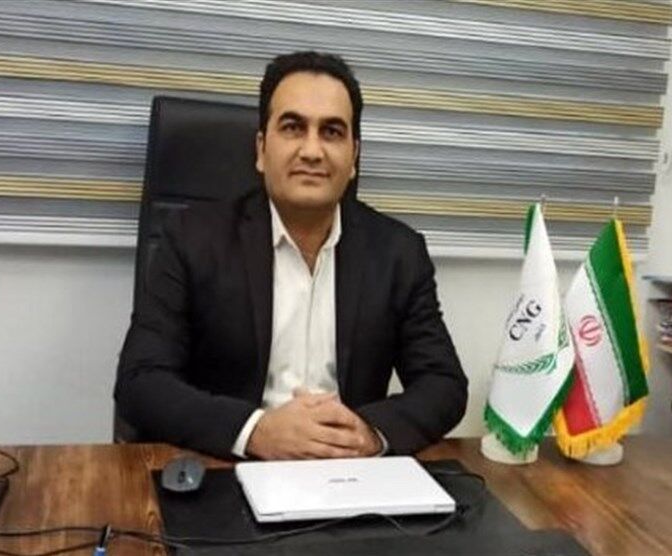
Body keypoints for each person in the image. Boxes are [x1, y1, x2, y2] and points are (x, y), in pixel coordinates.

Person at [115, 51, 467, 460]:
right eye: (293, 127)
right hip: (228, 467)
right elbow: (141, 381)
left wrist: (369, 433)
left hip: (349, 470)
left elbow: (444, 384)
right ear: (261, 149)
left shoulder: (398, 253)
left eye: (331, 132)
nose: (312, 150)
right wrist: (257, 431)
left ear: (354, 156)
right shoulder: (192, 237)